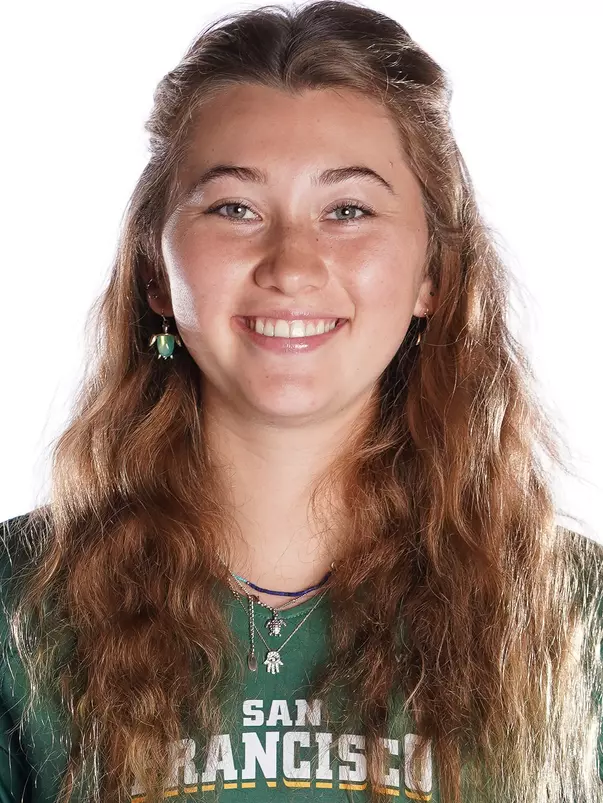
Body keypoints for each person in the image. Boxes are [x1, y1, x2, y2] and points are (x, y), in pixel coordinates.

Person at [1, 1, 602, 802]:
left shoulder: (572, 616)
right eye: (234, 209)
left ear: (432, 275)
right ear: (154, 267)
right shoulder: (20, 602)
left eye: (346, 211)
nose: (290, 264)